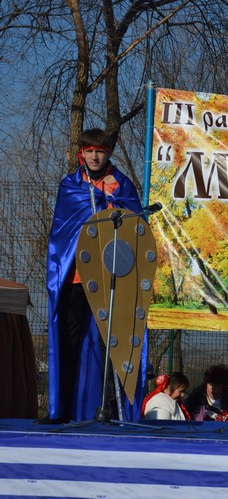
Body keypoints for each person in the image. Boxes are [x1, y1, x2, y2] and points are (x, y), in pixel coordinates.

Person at [44, 128, 146, 423]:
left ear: (108, 153)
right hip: (77, 278)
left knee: (111, 343)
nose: (94, 156)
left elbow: (136, 226)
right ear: (81, 154)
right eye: (89, 151)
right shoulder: (71, 186)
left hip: (111, 279)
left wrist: (112, 200)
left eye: (99, 151)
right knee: (69, 341)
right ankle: (61, 411)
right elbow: (62, 233)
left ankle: (111, 409)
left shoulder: (122, 185)